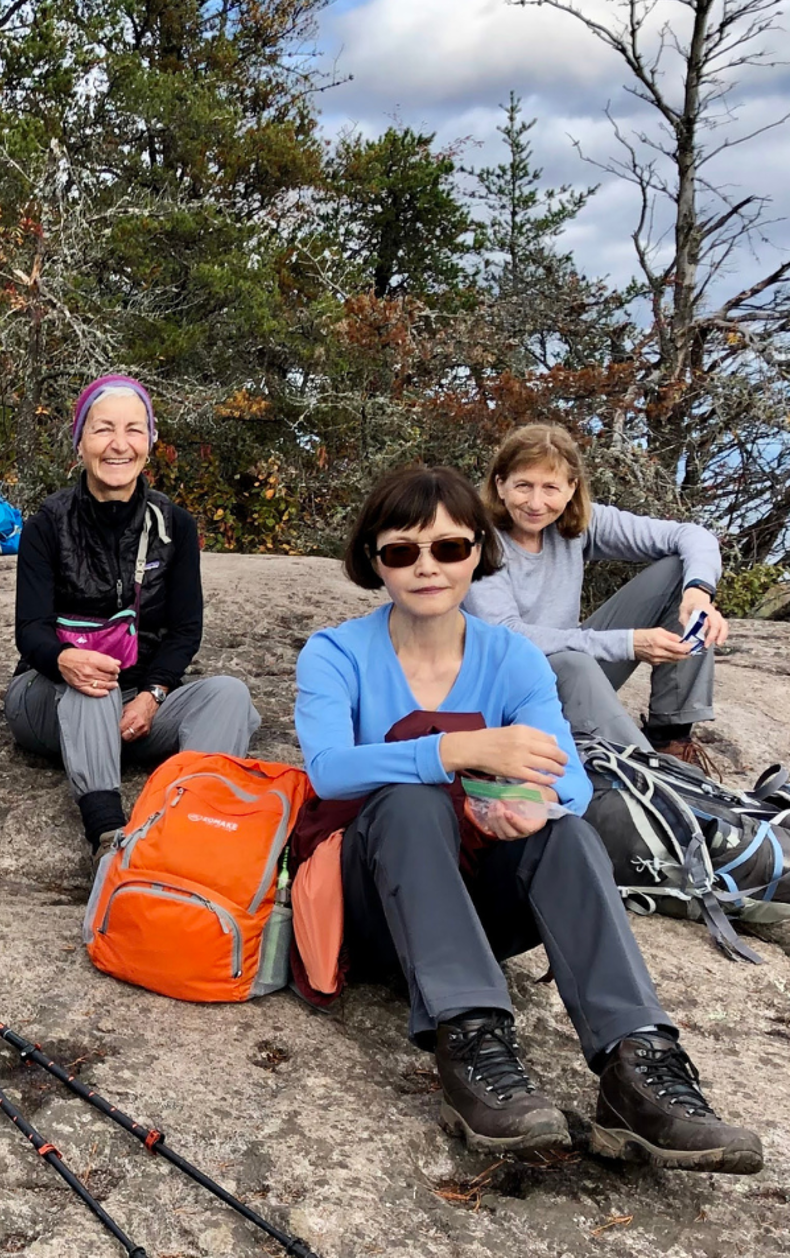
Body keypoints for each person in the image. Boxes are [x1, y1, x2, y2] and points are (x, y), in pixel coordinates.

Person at [293, 463, 760, 1170]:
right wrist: (462, 748)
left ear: (479, 551)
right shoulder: (337, 653)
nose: (427, 566)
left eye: (449, 547)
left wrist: (530, 806)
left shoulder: (510, 656)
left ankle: (639, 1065)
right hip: (374, 905)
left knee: (566, 830)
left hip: (478, 905)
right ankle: (473, 1044)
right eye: (402, 550)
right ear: (373, 560)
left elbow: (568, 781)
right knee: (409, 800)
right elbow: (329, 767)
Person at [5, 375, 259, 864]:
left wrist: (151, 696)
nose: (119, 445)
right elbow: (30, 631)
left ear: (150, 442)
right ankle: (108, 836)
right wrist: (67, 660)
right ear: (80, 442)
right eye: (103, 430)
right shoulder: (46, 525)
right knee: (93, 678)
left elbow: (186, 630)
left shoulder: (176, 525)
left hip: (140, 710)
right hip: (52, 702)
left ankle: (189, 829)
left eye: (134, 430)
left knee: (230, 696)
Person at [463, 423, 725, 766]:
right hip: (507, 691)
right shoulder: (477, 540)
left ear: (572, 488)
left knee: (679, 573)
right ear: (500, 485)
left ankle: (669, 739)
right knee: (572, 662)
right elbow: (509, 637)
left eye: (551, 488)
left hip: (573, 673)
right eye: (523, 486)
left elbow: (691, 536)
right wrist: (629, 643)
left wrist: (699, 594)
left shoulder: (579, 523)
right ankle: (663, 784)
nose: (536, 503)